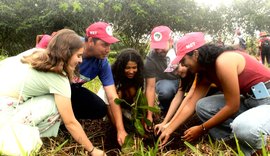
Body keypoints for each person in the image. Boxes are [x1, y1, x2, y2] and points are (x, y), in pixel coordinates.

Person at [158, 32, 270, 156]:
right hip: (250, 99)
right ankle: (233, 142)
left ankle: (258, 147)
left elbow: (233, 106)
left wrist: (202, 128)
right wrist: (168, 129)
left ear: (195, 54)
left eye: (183, 60)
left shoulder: (224, 61)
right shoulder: (205, 71)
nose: (182, 65)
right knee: (202, 106)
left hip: (267, 99)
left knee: (243, 127)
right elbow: (191, 103)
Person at [0, 29, 106, 155]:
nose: (81, 61)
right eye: (78, 56)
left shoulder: (37, 53)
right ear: (66, 53)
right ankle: (16, 133)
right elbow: (70, 122)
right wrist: (93, 150)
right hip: (4, 113)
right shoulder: (59, 77)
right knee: (58, 106)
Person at [71, 22, 128, 146]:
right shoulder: (70, 46)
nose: (108, 50)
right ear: (91, 40)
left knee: (100, 108)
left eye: (110, 45)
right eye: (104, 45)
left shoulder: (102, 63)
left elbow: (112, 97)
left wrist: (121, 130)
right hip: (53, 88)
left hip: (73, 89)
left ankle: (68, 119)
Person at [144, 26, 179, 128]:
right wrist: (149, 115)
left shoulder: (180, 49)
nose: (159, 50)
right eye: (156, 47)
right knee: (165, 91)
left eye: (161, 46)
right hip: (167, 82)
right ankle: (165, 110)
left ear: (171, 41)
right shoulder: (151, 58)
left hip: (185, 80)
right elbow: (150, 87)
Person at [98, 48, 144, 121]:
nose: (131, 71)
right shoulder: (112, 74)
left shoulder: (139, 76)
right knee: (117, 95)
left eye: (134, 68)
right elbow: (110, 98)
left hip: (126, 102)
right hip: (108, 101)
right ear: (121, 67)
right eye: (127, 68)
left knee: (133, 90)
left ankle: (124, 111)